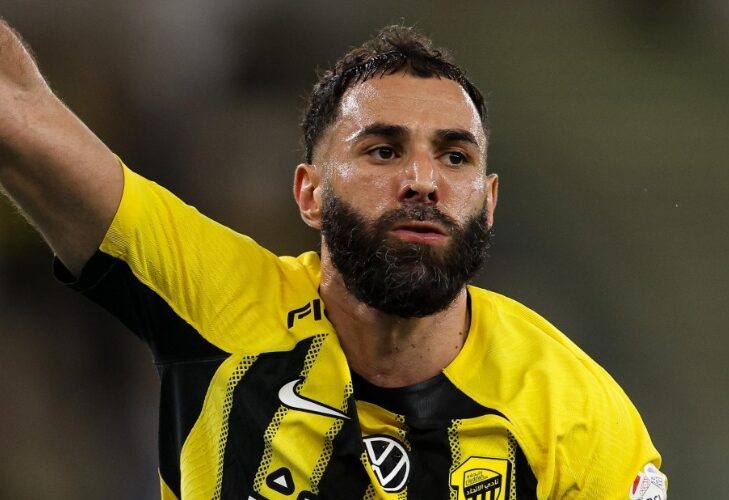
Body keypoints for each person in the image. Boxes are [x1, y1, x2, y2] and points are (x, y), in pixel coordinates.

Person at [0, 21, 666, 500]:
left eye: (455, 156)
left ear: (488, 202)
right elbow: (17, 108)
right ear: (309, 194)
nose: (423, 181)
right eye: (384, 151)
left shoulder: (575, 414)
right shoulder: (221, 299)